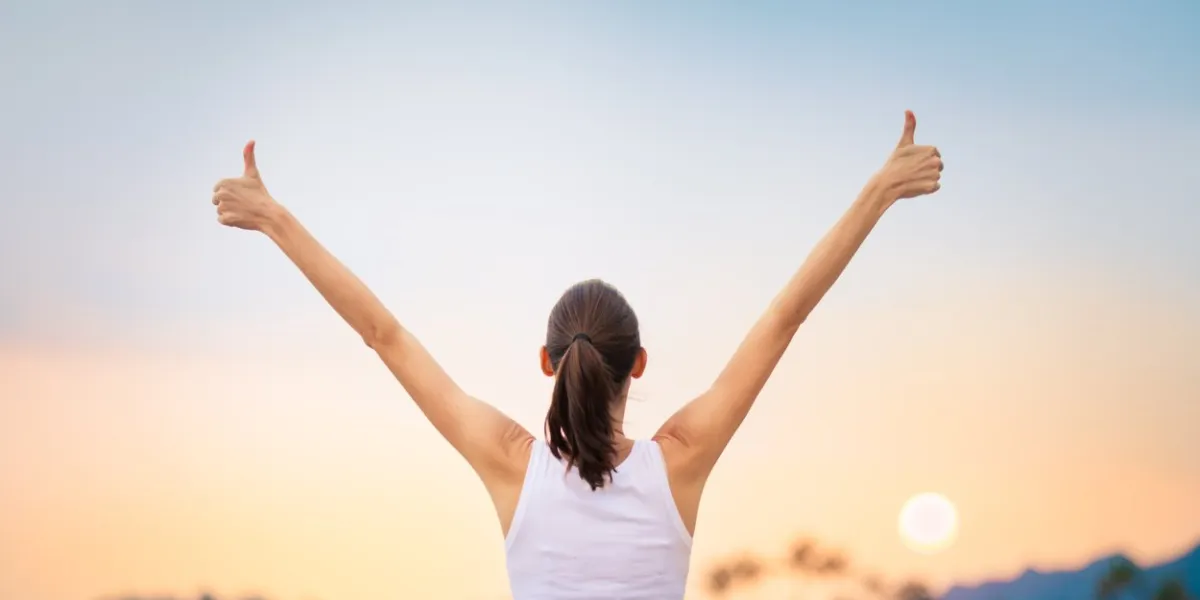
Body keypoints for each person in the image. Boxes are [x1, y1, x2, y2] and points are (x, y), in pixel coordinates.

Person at [210, 110, 943, 599]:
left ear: (546, 361)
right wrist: (878, 192)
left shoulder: (509, 462)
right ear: (639, 364)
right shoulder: (681, 461)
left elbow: (384, 334)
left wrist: (275, 219)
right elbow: (785, 318)